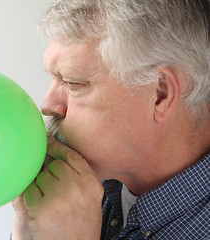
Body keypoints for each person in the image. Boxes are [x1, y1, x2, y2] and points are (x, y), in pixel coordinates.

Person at [11, 0, 210, 239]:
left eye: (73, 82)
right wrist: (26, 229)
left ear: (160, 94)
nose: (47, 106)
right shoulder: (84, 183)